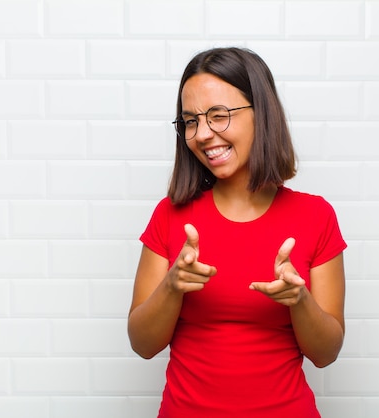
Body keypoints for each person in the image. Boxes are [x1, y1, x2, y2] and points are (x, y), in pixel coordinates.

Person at [127, 47, 346, 418]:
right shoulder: (170, 215)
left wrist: (300, 300)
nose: (202, 134)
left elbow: (325, 355)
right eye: (191, 121)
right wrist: (172, 285)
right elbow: (143, 344)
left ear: (262, 113)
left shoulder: (315, 216)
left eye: (218, 116)